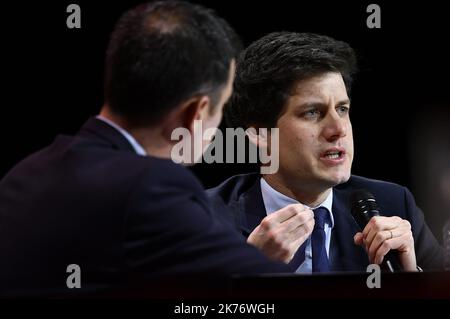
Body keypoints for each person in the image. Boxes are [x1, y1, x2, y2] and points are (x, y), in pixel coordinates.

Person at [0, 1, 291, 297]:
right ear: (196, 112)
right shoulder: (150, 188)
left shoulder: (24, 173)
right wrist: (254, 261)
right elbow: (283, 294)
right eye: (223, 106)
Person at [207, 32, 444, 273]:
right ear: (259, 134)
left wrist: (412, 278)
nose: (338, 129)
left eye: (342, 109)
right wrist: (248, 271)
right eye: (312, 112)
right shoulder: (204, 220)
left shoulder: (393, 204)